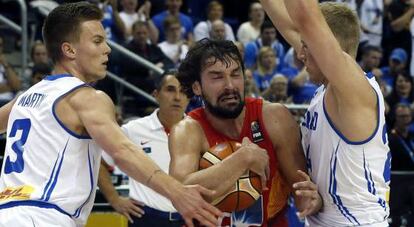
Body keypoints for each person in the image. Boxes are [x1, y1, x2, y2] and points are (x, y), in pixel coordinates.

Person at [0, 3, 221, 227]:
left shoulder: (25, 97)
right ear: (69, 50)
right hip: (45, 216)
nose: (107, 49)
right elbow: (121, 151)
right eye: (97, 41)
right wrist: (178, 192)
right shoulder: (87, 97)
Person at [261, 0, 390, 226]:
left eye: (305, 46)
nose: (300, 55)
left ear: (327, 45)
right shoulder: (327, 81)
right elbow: (290, 23)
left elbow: (305, 15)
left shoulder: (352, 91)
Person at [170, 39, 322, 227]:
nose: (230, 86)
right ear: (197, 87)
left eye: (235, 74)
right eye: (217, 77)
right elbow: (179, 192)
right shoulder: (188, 130)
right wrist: (243, 158)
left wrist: (315, 200)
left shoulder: (274, 117)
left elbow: (303, 197)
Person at [98, 71, 190, 226]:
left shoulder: (198, 131)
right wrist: (115, 198)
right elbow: (99, 162)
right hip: (145, 217)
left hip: (188, 218)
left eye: (183, 91)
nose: (177, 97)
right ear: (156, 94)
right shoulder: (133, 130)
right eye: (170, 89)